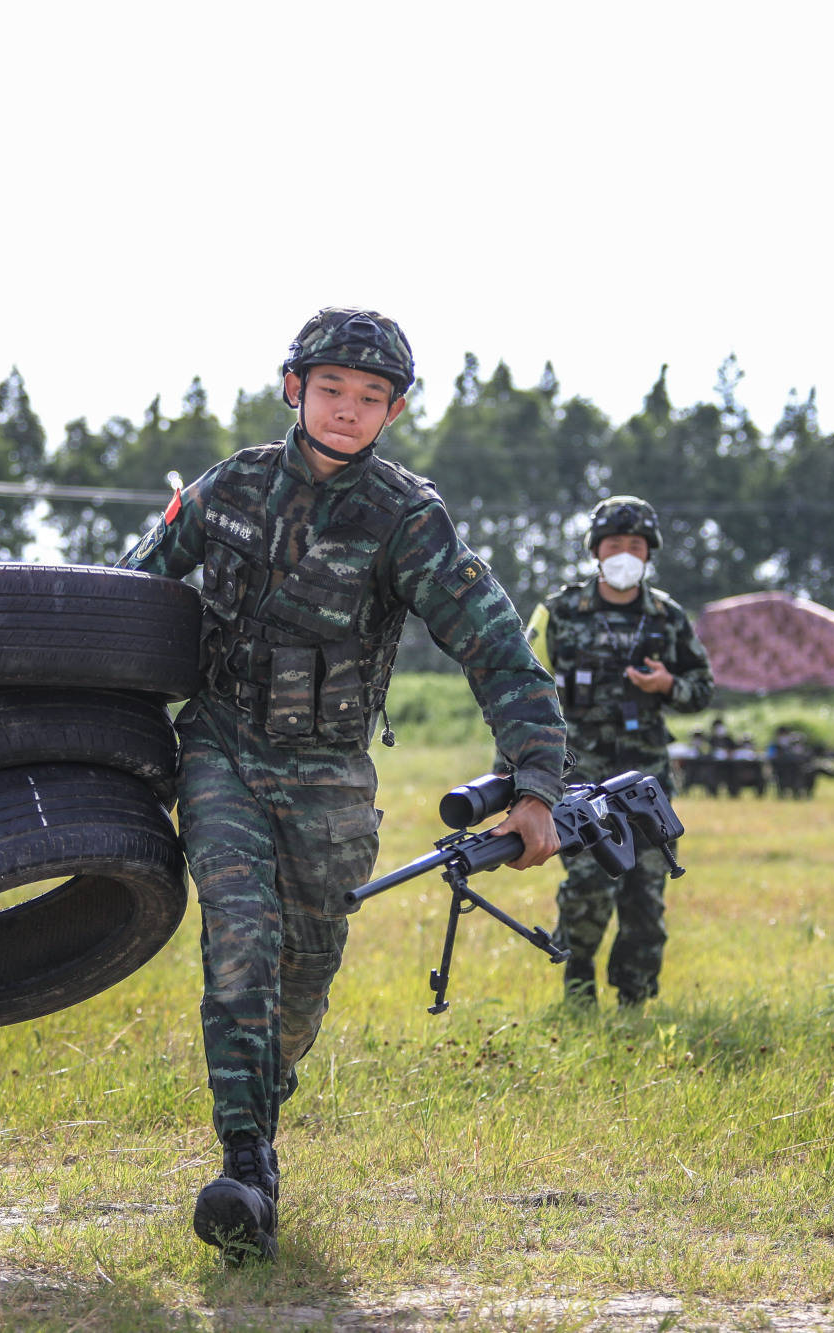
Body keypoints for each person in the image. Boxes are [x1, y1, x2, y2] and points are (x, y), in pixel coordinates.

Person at [122, 308, 565, 1264]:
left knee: (305, 970)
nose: (348, 409)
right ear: (294, 388)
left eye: (371, 398)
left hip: (328, 772)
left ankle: (261, 1117)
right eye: (331, 389)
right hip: (223, 748)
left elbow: (495, 645)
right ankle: (243, 1165)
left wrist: (536, 783)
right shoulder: (227, 488)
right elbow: (128, 596)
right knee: (241, 934)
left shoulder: (406, 517)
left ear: (395, 411)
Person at [526, 496, 713, 1007]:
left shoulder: (668, 617)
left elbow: (702, 688)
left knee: (645, 896)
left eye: (636, 545)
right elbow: (522, 689)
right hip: (577, 780)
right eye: (615, 545)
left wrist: (669, 685)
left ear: (649, 553)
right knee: (587, 888)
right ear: (596, 551)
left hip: (645, 783)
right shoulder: (559, 612)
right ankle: (578, 989)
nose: (625, 554)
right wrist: (519, 774)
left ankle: (635, 999)